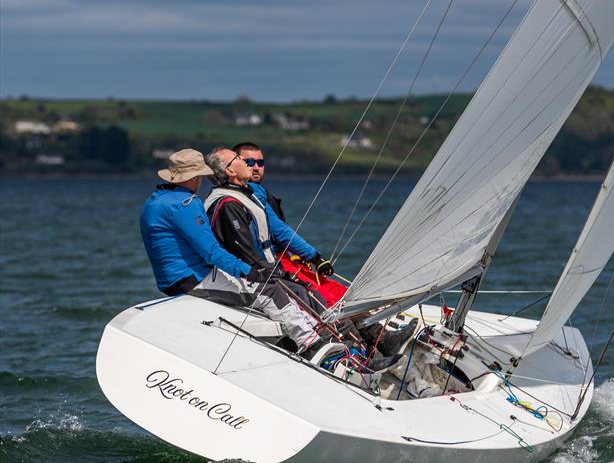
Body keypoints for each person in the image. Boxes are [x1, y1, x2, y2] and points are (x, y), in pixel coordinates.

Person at [203, 147, 416, 362]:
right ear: (230, 171)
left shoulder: (248, 194)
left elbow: (274, 231)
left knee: (323, 297)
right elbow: (247, 249)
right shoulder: (230, 202)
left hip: (272, 268)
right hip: (262, 273)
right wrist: (305, 260)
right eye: (244, 159)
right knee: (317, 299)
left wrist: (313, 257)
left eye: (260, 161)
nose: (253, 165)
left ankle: (368, 348)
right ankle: (357, 357)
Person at [139, 148, 328, 355]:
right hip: (192, 279)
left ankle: (302, 336)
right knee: (268, 290)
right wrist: (248, 271)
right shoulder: (186, 204)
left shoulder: (154, 201)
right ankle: (312, 343)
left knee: (262, 288)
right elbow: (212, 252)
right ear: (194, 178)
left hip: (170, 281)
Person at [232, 141, 333, 277]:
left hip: (269, 259)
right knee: (332, 293)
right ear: (235, 164)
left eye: (260, 163)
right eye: (249, 162)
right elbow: (278, 230)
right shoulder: (250, 191)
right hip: (263, 264)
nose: (256, 167)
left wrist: (294, 254)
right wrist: (315, 257)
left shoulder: (243, 191)